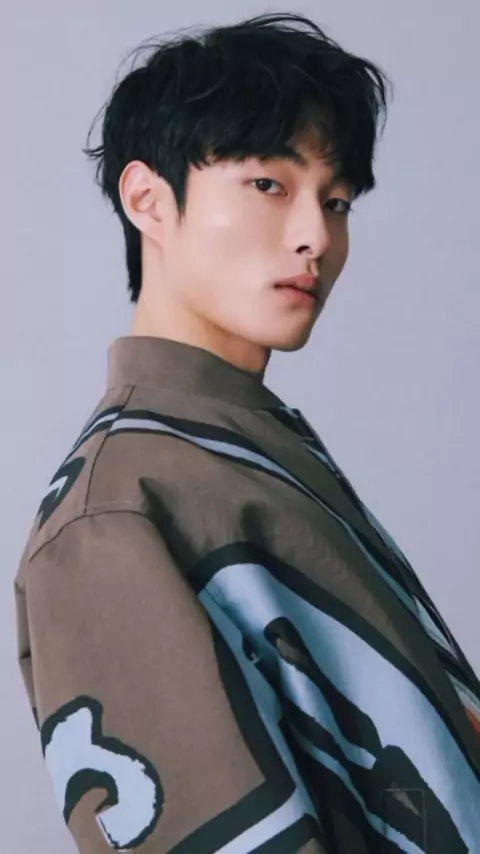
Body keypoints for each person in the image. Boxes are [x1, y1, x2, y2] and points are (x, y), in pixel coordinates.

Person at [14, 12, 480, 853]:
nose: (317, 237)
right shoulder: (118, 509)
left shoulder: (244, 449)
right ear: (148, 199)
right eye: (269, 184)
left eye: (336, 202)